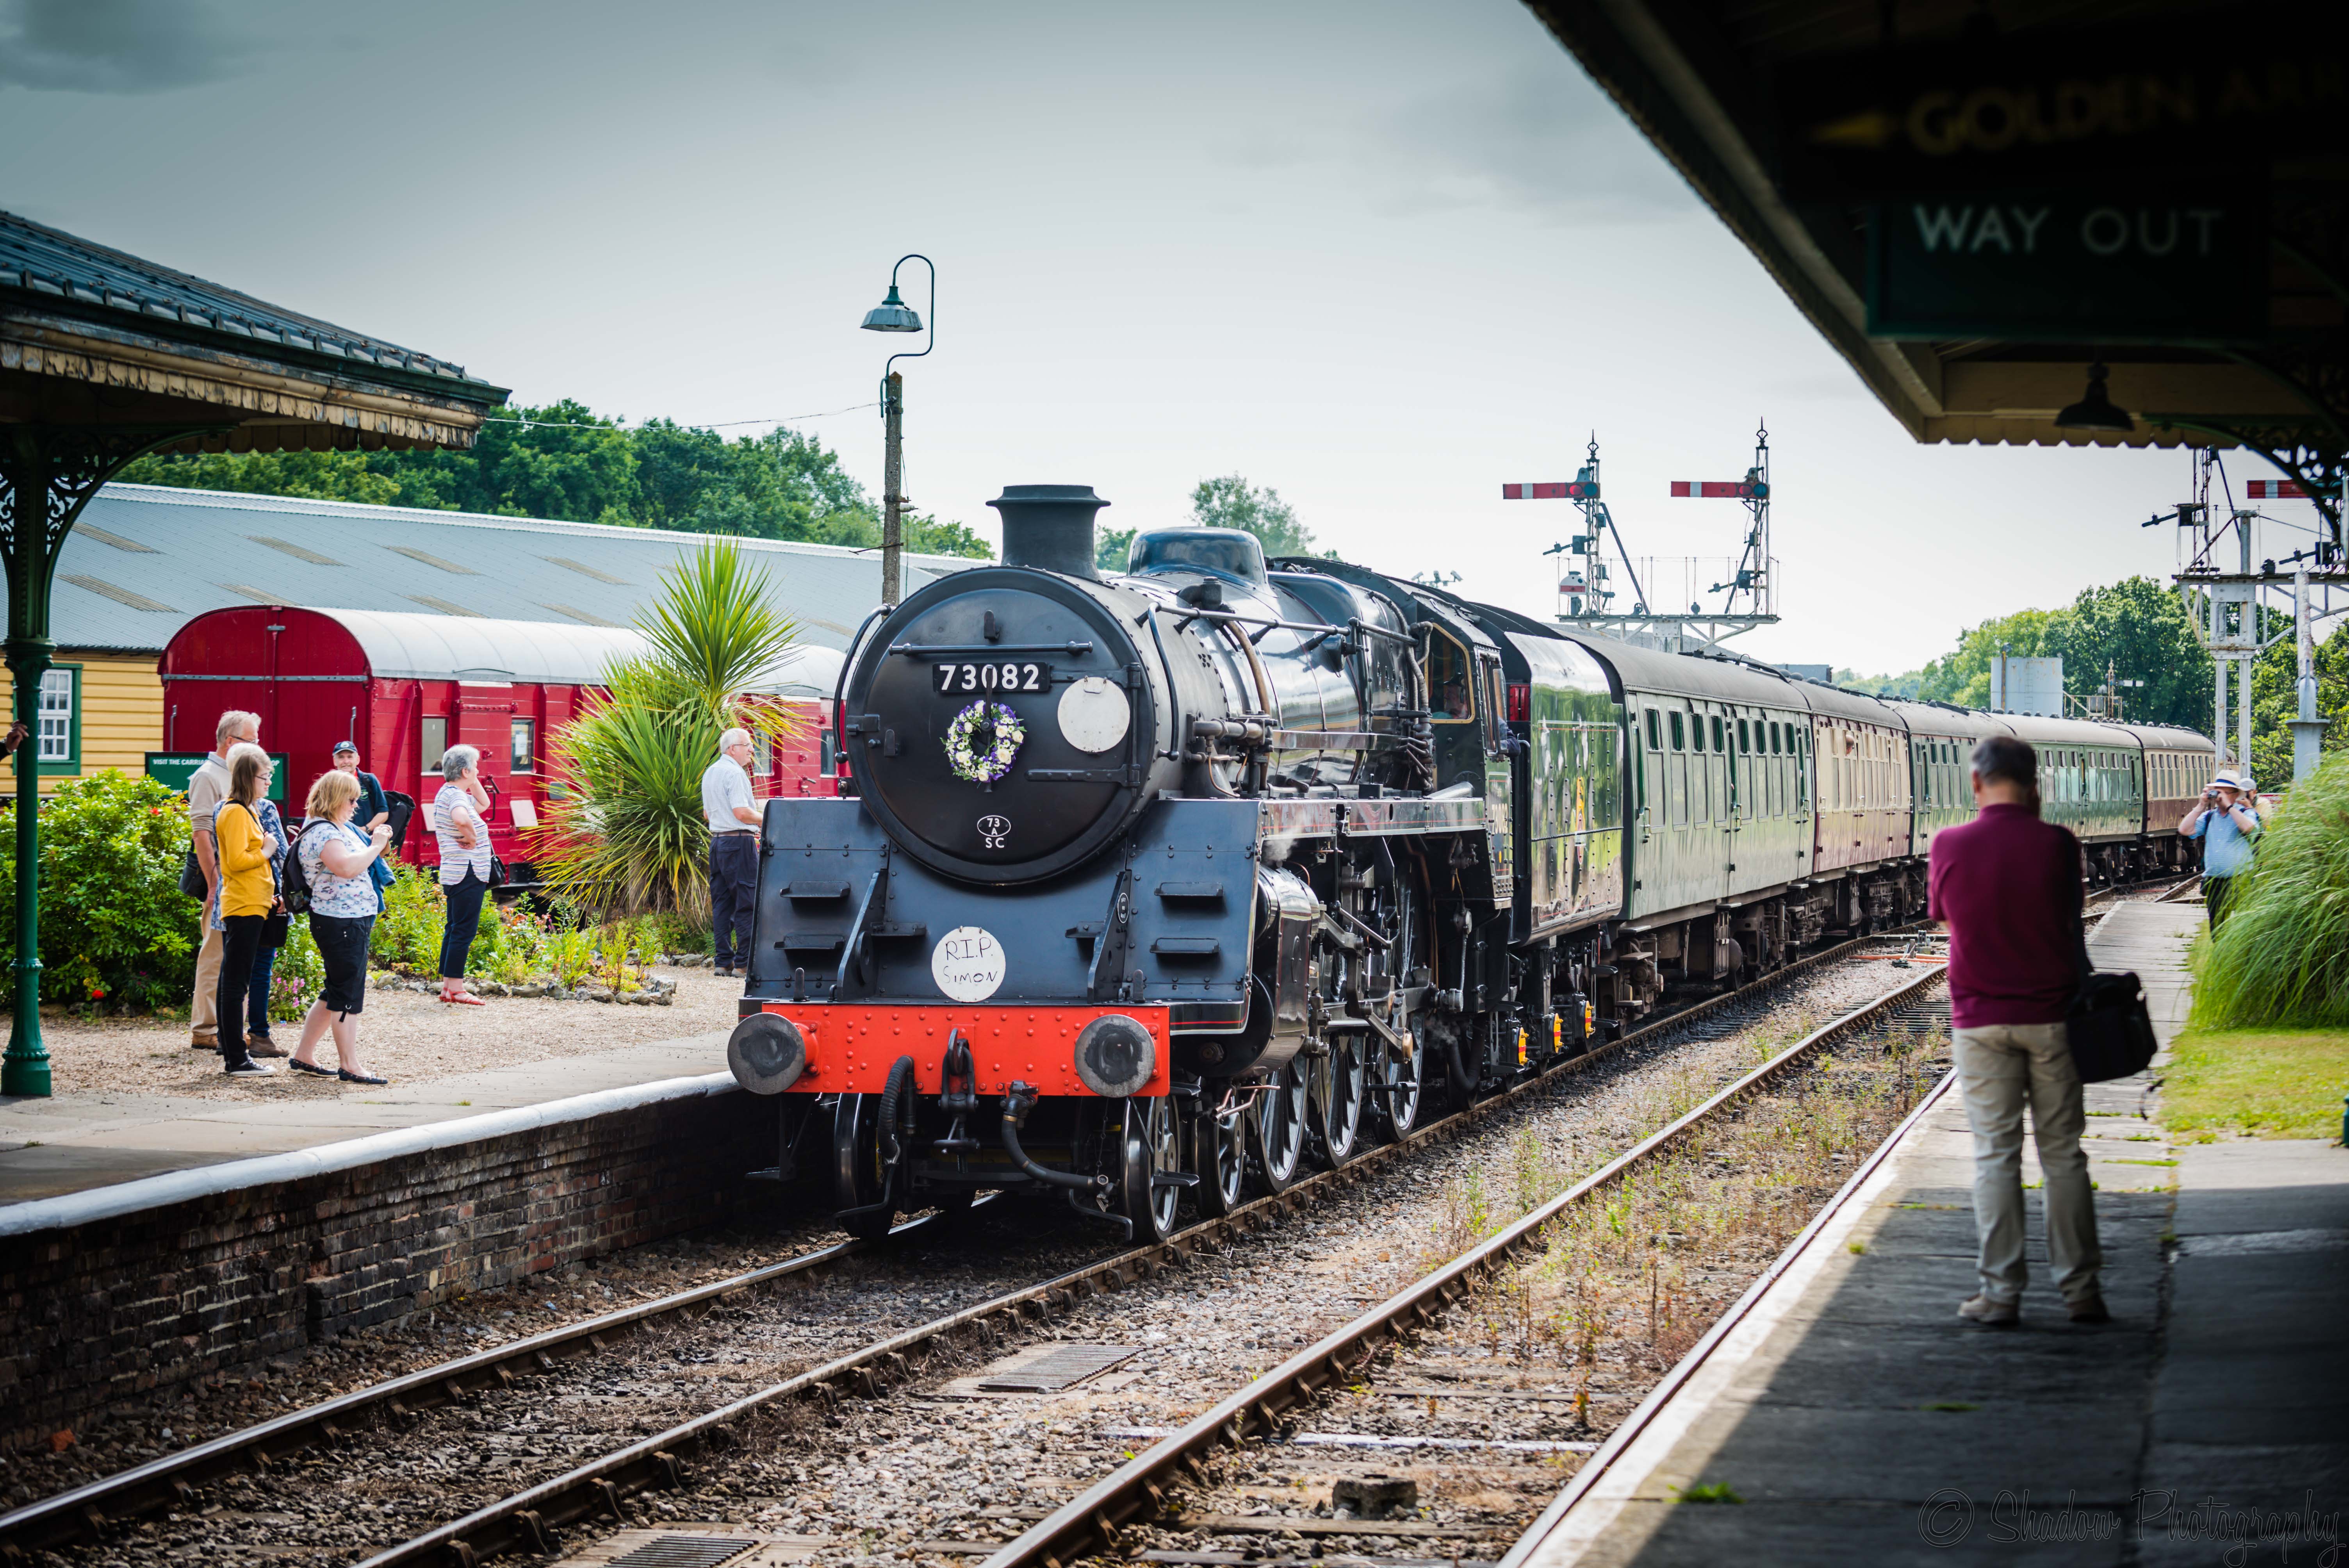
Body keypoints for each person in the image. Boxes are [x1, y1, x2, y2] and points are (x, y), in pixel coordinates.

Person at [1927, 734, 2103, 1328]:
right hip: (2052, 1019)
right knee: (2064, 1156)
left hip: (1980, 1020)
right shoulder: (2058, 843)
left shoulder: (1949, 843)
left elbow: (1946, 916)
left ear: (1976, 783)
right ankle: (2081, 1292)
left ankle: (2001, 1295)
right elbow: (2069, 916)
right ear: (2034, 785)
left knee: (1995, 1156)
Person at [289, 769, 391, 1084]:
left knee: (336, 988)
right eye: (351, 800)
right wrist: (376, 845)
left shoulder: (338, 827)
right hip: (339, 920)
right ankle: (350, 1065)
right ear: (335, 799)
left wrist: (379, 842)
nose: (356, 806)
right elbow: (346, 867)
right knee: (348, 992)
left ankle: (304, 1055)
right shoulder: (324, 832)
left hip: (347, 917)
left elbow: (363, 857)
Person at [188, 710, 260, 1053]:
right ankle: (206, 1028)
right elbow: (201, 833)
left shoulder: (234, 774)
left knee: (234, 957)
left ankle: (228, 1027)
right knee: (215, 954)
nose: (259, 746)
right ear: (231, 742)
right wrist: (214, 882)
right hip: (223, 879)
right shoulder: (208, 776)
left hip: (241, 879)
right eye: (253, 741)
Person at [211, 744, 280, 1078]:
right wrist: (267, 850)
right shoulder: (236, 811)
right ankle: (237, 1059)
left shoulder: (246, 810)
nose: (269, 782)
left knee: (235, 981)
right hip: (243, 905)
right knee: (235, 984)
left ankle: (235, 1057)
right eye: (265, 776)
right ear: (248, 778)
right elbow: (237, 862)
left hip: (253, 902)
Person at [433, 744, 494, 1005]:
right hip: (467, 872)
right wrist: (473, 838)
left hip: (456, 871)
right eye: (475, 767)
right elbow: (460, 818)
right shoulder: (456, 798)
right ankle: (457, 990)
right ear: (465, 771)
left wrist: (471, 778)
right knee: (464, 931)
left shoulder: (448, 793)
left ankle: (448, 987)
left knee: (454, 928)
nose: (479, 770)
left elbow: (484, 803)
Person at [241, 757, 293, 1057]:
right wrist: (286, 891)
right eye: (265, 777)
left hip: (231, 898)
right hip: (265, 897)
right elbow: (282, 854)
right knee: (261, 966)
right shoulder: (264, 808)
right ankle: (259, 1035)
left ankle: (228, 1035)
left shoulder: (223, 808)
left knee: (232, 969)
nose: (270, 782)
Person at [700, 726, 761, 979]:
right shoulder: (735, 773)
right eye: (748, 745)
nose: (752, 750)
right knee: (747, 902)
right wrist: (768, 817)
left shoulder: (711, 772)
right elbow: (741, 813)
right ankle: (743, 964)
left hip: (717, 844)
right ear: (733, 749)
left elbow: (707, 814)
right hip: (739, 843)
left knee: (722, 904)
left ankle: (723, 962)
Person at [2180, 768, 2260, 931]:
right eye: (2217, 791)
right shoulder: (2209, 816)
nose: (2219, 796)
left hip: (2240, 879)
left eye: (2224, 792)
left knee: (2243, 927)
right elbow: (2185, 830)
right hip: (2215, 881)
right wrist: (2201, 805)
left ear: (2235, 795)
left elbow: (2249, 829)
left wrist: (2230, 807)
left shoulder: (2246, 813)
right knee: (2217, 927)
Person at [334, 740, 398, 906]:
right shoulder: (331, 784)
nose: (346, 761)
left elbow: (383, 813)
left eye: (350, 757)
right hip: (339, 843)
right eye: (341, 757)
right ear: (335, 761)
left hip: (365, 842)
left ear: (358, 759)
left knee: (369, 882)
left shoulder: (369, 780)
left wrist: (364, 829)